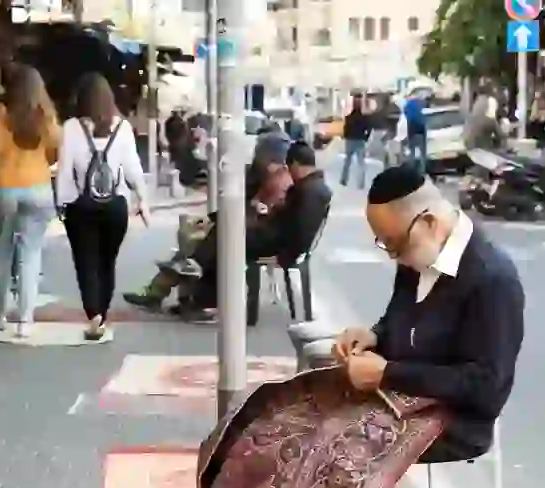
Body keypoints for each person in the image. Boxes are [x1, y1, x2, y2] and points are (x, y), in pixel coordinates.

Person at [333, 165, 525, 488]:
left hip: (457, 419)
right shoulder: (416, 256)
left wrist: (387, 373)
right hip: (402, 398)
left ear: (429, 223)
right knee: (300, 426)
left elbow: (486, 388)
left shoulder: (492, 279)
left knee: (338, 453)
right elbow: (398, 323)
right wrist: (373, 337)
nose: (392, 255)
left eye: (393, 243)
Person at [121, 132, 294, 313]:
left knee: (201, 244)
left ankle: (175, 293)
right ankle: (174, 291)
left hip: (256, 236)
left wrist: (254, 210)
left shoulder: (281, 183)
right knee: (194, 239)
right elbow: (243, 206)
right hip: (247, 229)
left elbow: (264, 214)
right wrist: (213, 218)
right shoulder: (265, 179)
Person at [181, 141, 331, 322]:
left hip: (275, 242)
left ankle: (201, 284)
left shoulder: (310, 191)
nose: (289, 173)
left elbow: (302, 231)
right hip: (274, 235)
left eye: (290, 168)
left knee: (226, 237)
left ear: (297, 164)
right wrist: (271, 212)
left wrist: (286, 256)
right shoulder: (311, 187)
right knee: (227, 229)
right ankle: (201, 292)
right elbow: (293, 219)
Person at [0, 64, 61, 339]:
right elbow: (55, 148)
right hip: (39, 189)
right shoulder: (44, 113)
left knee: (3, 253)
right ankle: (25, 321)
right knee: (31, 254)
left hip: (5, 189)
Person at [56, 73, 151, 341]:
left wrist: (62, 204)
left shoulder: (71, 128)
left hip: (80, 206)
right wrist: (143, 199)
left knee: (86, 262)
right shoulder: (122, 128)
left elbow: (65, 171)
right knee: (107, 262)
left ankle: (94, 314)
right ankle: (103, 313)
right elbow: (133, 168)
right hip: (115, 207)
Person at [340, 97, 372, 188]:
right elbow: (369, 129)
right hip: (360, 141)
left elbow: (345, 129)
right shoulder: (365, 118)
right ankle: (360, 184)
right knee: (361, 163)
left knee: (347, 161)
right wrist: (366, 137)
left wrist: (345, 137)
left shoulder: (348, 117)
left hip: (350, 140)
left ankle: (344, 180)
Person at [401, 90, 429, 175]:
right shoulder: (420, 104)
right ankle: (422, 170)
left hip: (411, 131)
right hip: (421, 131)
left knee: (412, 152)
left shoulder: (407, 106)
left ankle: (412, 170)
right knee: (423, 153)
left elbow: (405, 118)